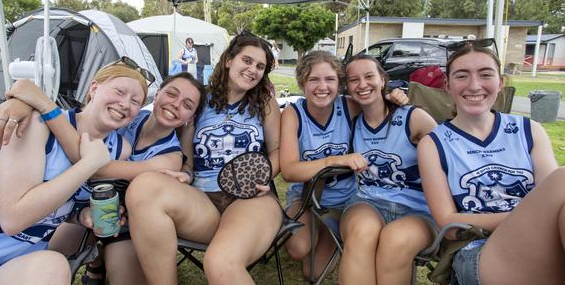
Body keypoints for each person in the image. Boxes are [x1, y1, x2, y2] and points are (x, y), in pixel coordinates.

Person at [0, 61, 149, 285]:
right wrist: (89, 164)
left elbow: (59, 204)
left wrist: (81, 215)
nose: (125, 104)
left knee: (52, 266)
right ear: (94, 88)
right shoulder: (36, 123)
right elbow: (13, 219)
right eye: (119, 92)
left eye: (135, 101)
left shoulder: (119, 149)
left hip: (12, 263)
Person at [0, 71, 205, 285]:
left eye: (187, 105)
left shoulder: (170, 157)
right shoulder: (128, 114)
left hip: (123, 223)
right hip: (81, 209)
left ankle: (97, 260)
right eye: (171, 94)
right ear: (157, 95)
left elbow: (96, 167)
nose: (176, 104)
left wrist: (44, 104)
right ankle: (93, 262)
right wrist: (21, 104)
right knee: (48, 259)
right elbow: (83, 121)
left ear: (190, 117)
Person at [125, 31, 282, 284]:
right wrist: (185, 173)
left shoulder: (265, 102)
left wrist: (266, 174)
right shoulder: (200, 99)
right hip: (203, 201)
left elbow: (276, 152)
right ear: (229, 60)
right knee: (143, 187)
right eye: (247, 61)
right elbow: (187, 157)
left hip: (250, 199)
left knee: (219, 262)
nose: (253, 70)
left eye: (260, 66)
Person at [418, 42, 565, 285]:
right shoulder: (434, 143)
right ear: (447, 86)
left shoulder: (529, 130)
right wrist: (523, 218)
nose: (474, 85)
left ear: (500, 82)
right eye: (462, 76)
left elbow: (556, 199)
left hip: (544, 243)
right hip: (480, 248)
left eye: (485, 74)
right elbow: (449, 223)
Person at [339, 54, 438, 285]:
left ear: (383, 80)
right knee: (362, 232)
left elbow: (450, 160)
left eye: (369, 76)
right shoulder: (351, 118)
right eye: (354, 80)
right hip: (367, 201)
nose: (362, 84)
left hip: (418, 209)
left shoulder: (413, 117)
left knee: (397, 239)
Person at [280, 50, 366, 279]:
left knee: (313, 273)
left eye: (330, 79)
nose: (322, 86)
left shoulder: (349, 107)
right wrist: (333, 161)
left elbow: (383, 107)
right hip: (305, 197)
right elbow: (289, 171)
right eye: (314, 79)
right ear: (302, 82)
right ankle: (323, 232)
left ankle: (333, 234)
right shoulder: (293, 114)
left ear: (339, 83)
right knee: (298, 248)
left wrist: (395, 96)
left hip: (345, 201)